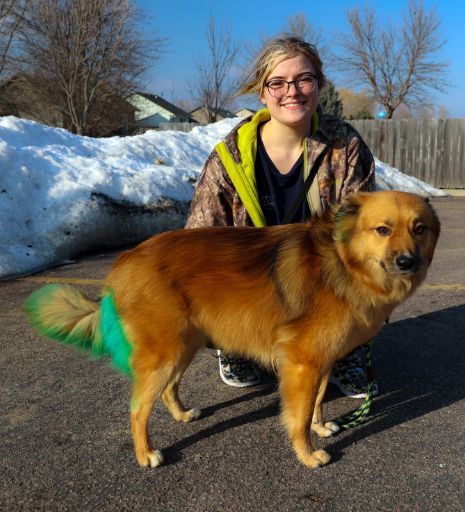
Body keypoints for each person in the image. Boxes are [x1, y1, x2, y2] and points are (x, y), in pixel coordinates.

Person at [185, 35, 378, 398]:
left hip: (321, 286)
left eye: (304, 79)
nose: (292, 91)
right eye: (277, 82)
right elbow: (199, 242)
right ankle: (237, 346)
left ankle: (346, 350)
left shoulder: (345, 146)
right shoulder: (229, 158)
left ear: (318, 85)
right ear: (261, 92)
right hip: (249, 291)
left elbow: (366, 234)